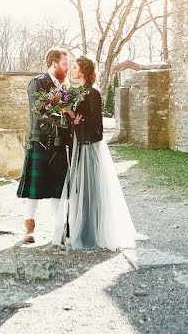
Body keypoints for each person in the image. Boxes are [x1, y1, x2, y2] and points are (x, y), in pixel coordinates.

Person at [54, 56, 136, 250]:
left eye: (74, 67)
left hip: (89, 147)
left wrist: (73, 116)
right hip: (77, 146)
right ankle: (75, 229)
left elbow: (96, 125)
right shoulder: (74, 92)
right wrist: (67, 115)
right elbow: (74, 121)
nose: (71, 70)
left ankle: (90, 233)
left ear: (82, 72)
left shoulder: (93, 93)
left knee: (89, 189)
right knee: (77, 189)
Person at [16, 47, 75, 243]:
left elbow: (68, 112)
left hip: (59, 144)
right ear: (54, 63)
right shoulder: (38, 82)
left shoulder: (65, 88)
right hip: (40, 140)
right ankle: (29, 229)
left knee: (57, 189)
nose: (68, 68)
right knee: (36, 189)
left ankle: (59, 231)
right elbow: (39, 112)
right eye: (65, 64)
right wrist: (66, 120)